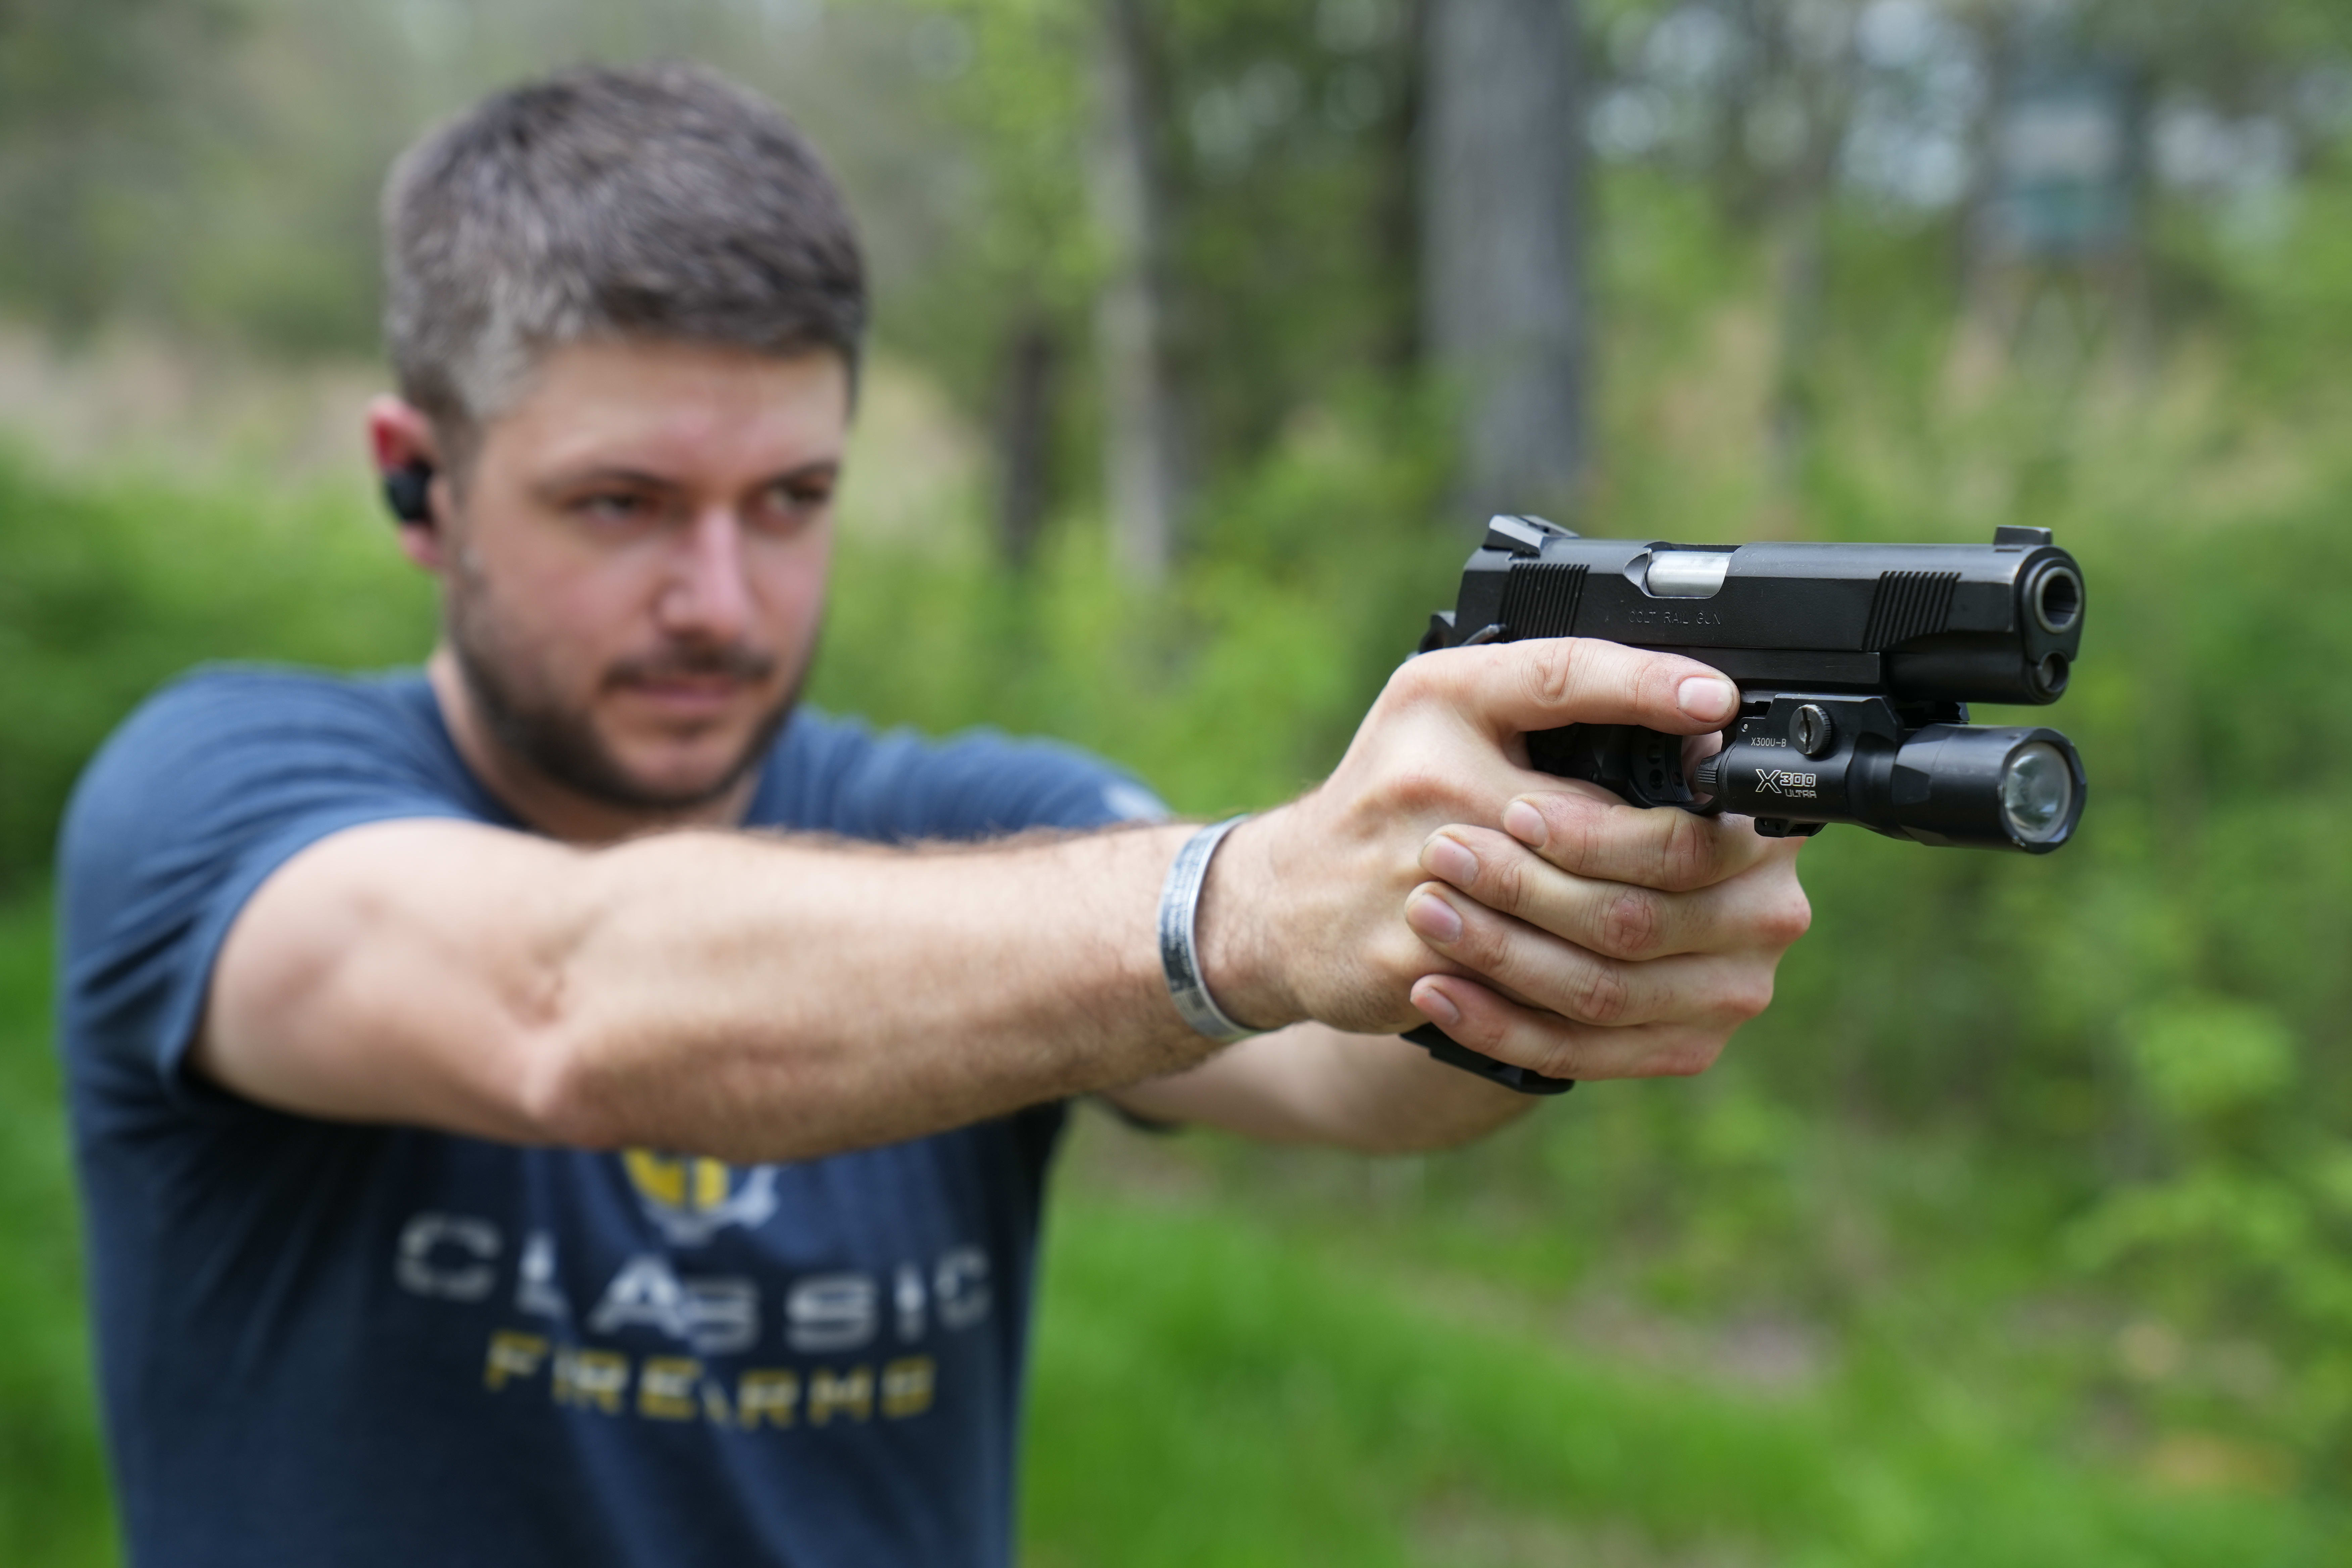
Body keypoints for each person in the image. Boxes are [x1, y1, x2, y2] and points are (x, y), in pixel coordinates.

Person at [56, 63, 1810, 1568]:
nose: (720, 600)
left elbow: (1350, 1079)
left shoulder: (983, 824)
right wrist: (1241, 906)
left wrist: (1547, 907)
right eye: (621, 504)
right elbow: (560, 1004)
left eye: (791, 499)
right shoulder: (215, 803)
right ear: (415, 482)